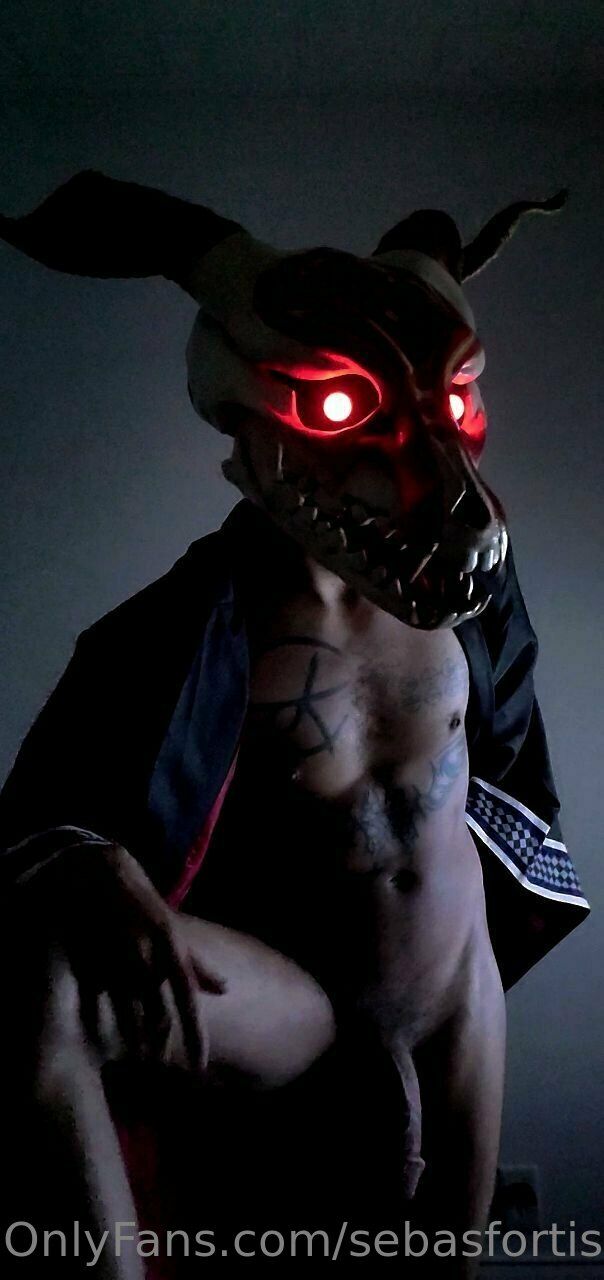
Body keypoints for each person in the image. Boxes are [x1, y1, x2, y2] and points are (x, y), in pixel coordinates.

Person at [0, 174, 589, 1278]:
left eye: (450, 404)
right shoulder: (181, 630)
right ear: (247, 426)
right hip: (298, 1018)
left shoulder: (474, 602)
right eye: (335, 409)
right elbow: (41, 824)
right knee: (43, 983)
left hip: (452, 1004)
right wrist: (82, 859)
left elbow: (505, 784)